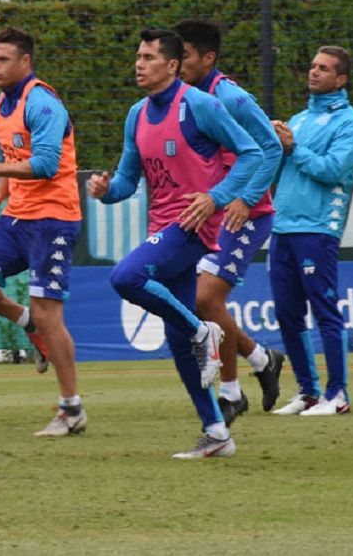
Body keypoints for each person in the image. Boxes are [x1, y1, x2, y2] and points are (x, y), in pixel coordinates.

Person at [88, 28, 263, 459]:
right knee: (178, 345)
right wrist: (107, 189)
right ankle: (218, 434)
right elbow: (129, 179)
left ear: (171, 65)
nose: (139, 64)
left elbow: (254, 153)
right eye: (137, 56)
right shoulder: (137, 114)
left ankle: (202, 330)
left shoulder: (200, 105)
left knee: (126, 276)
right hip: (164, 226)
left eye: (148, 57)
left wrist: (217, 198)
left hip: (193, 226)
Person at [0, 27, 86, 437]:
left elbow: (43, 164)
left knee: (50, 313)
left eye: (2, 59)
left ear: (25, 62)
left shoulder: (42, 103)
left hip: (55, 219)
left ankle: (71, 409)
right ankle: (27, 323)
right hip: (17, 217)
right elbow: (16, 156)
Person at [173, 18, 286, 425]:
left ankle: (232, 393)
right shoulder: (185, 97)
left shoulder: (232, 97)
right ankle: (262, 359)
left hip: (246, 215)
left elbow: (271, 150)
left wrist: (245, 199)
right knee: (199, 301)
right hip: (213, 212)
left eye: (182, 55)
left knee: (205, 299)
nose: (176, 62)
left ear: (208, 57)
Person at [269, 46, 353, 417]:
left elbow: (332, 170)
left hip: (317, 228)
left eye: (324, 69)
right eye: (312, 66)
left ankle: (337, 395)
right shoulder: (301, 118)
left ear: (341, 79)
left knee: (325, 311)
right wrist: (276, 141)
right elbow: (284, 163)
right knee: (287, 313)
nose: (314, 72)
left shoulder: (349, 124)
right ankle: (308, 392)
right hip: (284, 226)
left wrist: (293, 148)